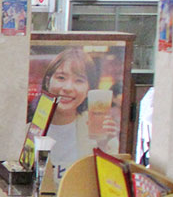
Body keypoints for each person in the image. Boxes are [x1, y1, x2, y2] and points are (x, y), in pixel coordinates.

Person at [32, 46, 119, 177]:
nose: (68, 88)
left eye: (79, 80)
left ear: (89, 88)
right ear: (48, 82)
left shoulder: (98, 130)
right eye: (61, 78)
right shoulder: (31, 129)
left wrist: (103, 146)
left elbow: (111, 180)